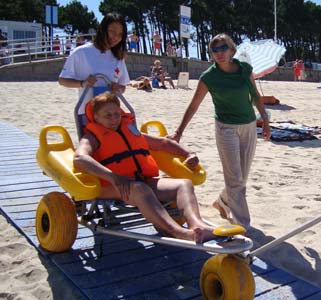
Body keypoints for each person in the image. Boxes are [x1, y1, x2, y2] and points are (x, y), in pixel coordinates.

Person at [74, 92, 216, 243]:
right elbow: (79, 158)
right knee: (141, 189)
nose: (114, 119)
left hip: (141, 181)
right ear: (96, 117)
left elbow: (162, 143)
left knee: (184, 184)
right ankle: (178, 232)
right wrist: (113, 176)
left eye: (117, 114)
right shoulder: (92, 137)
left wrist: (188, 153)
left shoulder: (129, 130)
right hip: (112, 185)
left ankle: (197, 225)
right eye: (107, 116)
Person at [170, 33, 271, 230]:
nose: (219, 53)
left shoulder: (244, 69)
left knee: (242, 176)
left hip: (249, 126)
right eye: (214, 50)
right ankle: (243, 226)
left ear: (232, 50)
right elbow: (193, 105)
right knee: (235, 179)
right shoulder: (209, 77)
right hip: (226, 129)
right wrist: (178, 131)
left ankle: (223, 202)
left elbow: (256, 96)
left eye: (223, 48)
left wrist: (265, 120)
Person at [58, 12, 130, 113]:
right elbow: (62, 80)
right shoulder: (81, 52)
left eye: (119, 34)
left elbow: (123, 86)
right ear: (102, 29)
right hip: (87, 114)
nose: (115, 37)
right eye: (112, 31)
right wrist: (83, 83)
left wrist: (118, 88)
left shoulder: (119, 57)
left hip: (111, 116)